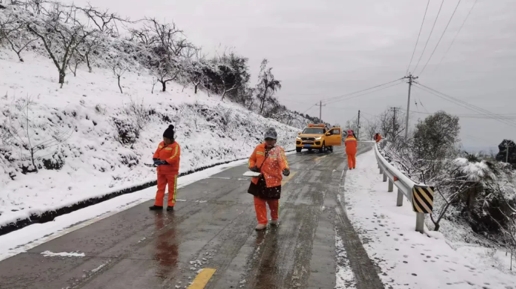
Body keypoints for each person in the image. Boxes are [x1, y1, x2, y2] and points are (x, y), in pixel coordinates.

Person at [248, 128, 290, 231]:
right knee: (258, 202)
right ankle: (262, 222)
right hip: (258, 179)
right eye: (267, 139)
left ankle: (274, 218)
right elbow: (251, 159)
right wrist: (252, 166)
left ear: (275, 140)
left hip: (272, 181)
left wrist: (285, 169)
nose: (269, 141)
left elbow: (282, 161)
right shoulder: (259, 148)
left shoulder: (278, 151)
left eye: (271, 139)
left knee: (273, 203)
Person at [149, 125, 181, 211]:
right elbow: (156, 153)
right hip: (161, 171)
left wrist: (165, 161)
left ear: (171, 139)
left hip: (171, 171)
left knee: (172, 189)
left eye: (167, 139)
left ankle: (170, 204)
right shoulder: (161, 144)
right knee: (160, 188)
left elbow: (175, 157)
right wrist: (155, 159)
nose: (165, 141)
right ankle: (158, 204)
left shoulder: (175, 146)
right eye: (164, 138)